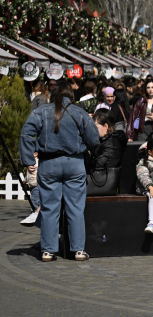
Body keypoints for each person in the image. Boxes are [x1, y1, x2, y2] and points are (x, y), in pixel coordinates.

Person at [19, 84, 99, 262]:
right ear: (71, 97)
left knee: (49, 209)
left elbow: (26, 134)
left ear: (52, 96)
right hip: (74, 163)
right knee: (76, 208)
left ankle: (48, 251)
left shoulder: (40, 112)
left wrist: (28, 160)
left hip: (49, 164)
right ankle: (78, 250)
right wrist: (94, 150)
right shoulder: (79, 112)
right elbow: (93, 138)